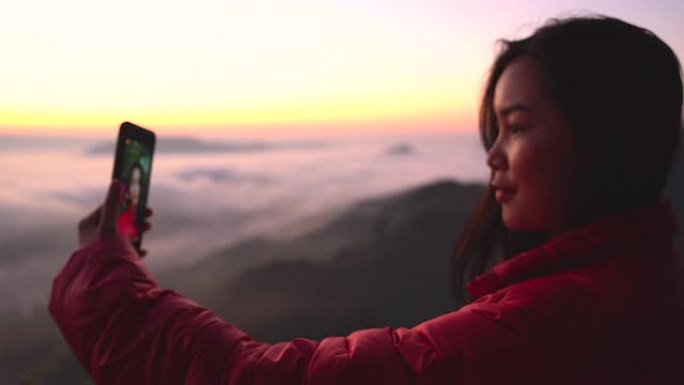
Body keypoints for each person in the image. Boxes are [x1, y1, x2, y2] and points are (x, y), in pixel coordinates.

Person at [49, 15, 684, 384]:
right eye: (495, 131)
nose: (492, 157)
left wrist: (108, 273)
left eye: (515, 128)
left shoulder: (538, 333)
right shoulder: (647, 286)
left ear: (606, 136)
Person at [116, 162, 144, 241]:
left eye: (138, 183)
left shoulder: (140, 214)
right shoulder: (121, 219)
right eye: (132, 183)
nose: (135, 188)